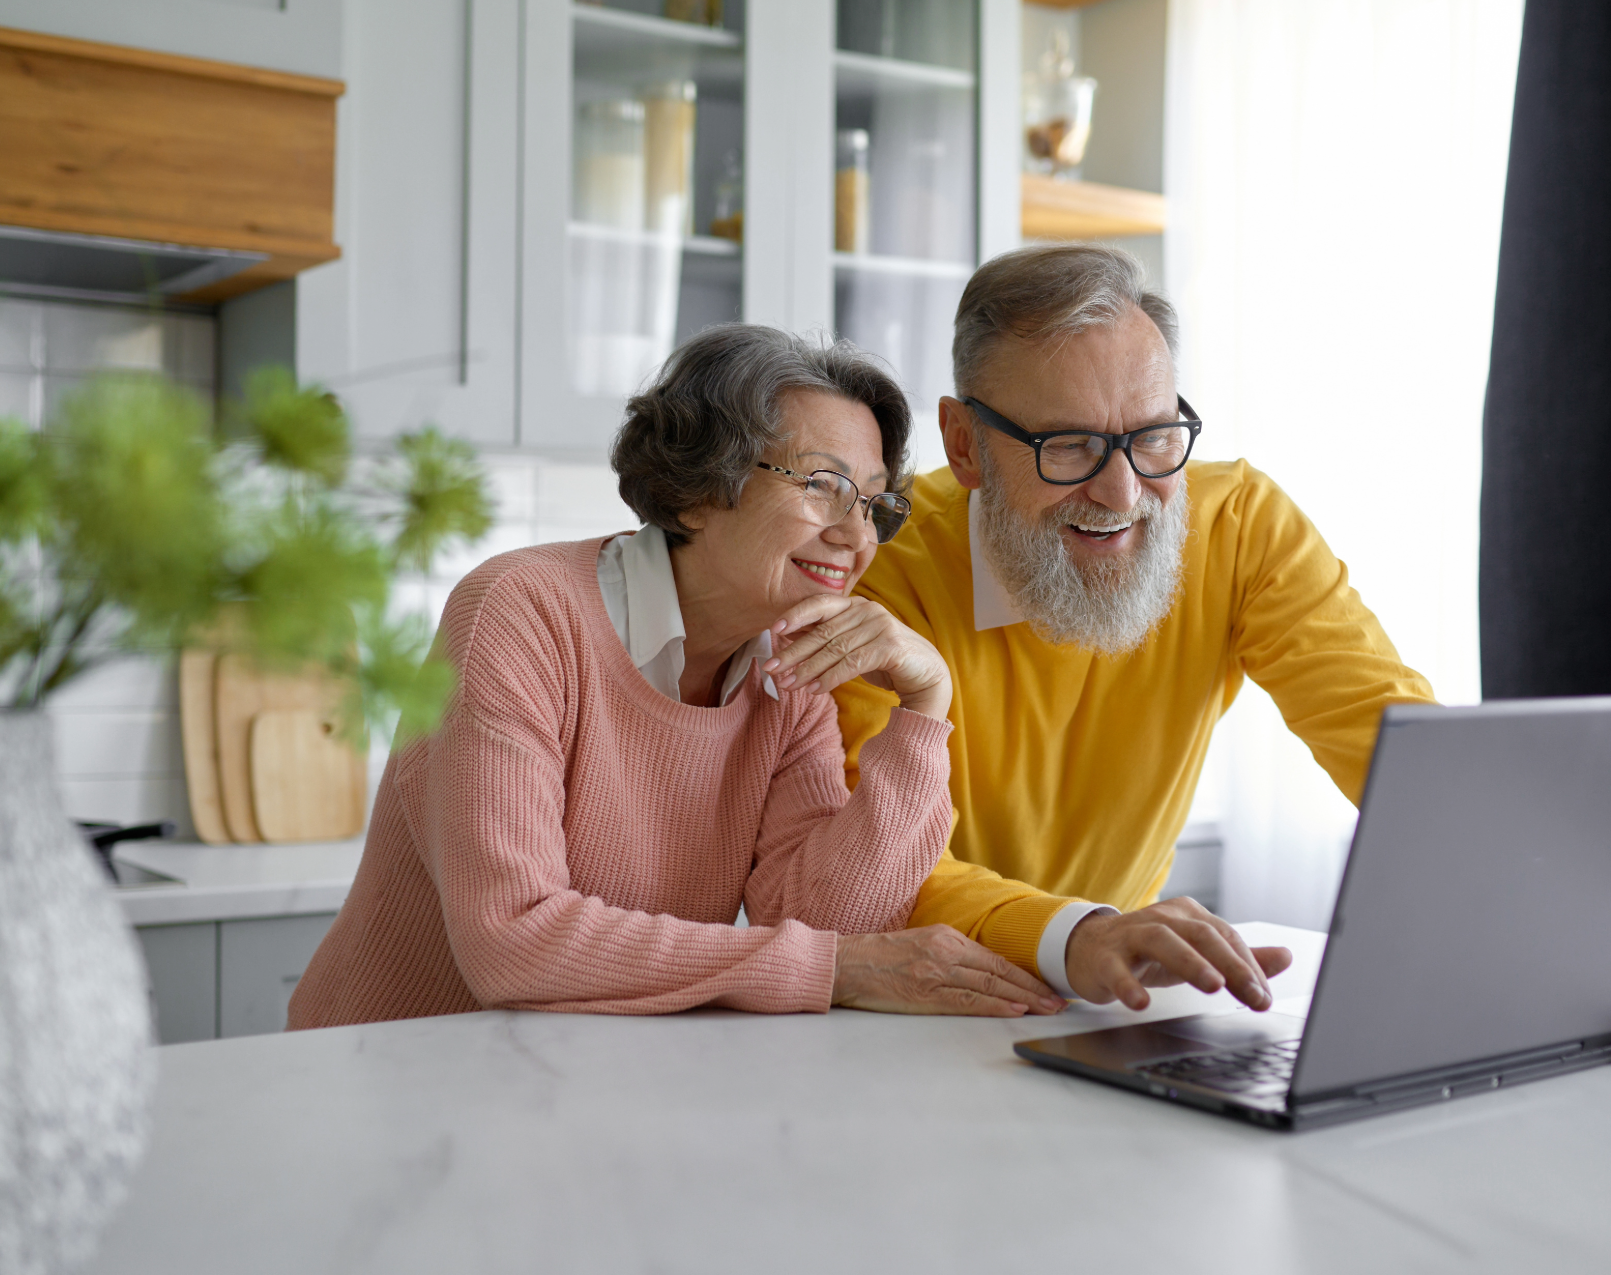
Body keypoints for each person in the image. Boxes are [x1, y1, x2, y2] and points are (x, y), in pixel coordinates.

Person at [776, 244, 1611, 1066]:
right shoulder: (874, 566)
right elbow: (874, 866)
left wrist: (1562, 955)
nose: (1123, 492)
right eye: (1067, 446)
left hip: (1111, 1014)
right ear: (965, 443)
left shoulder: (1238, 525)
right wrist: (1080, 931)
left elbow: (1399, 746)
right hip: (894, 1020)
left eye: (1153, 438)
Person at [289, 326, 1066, 1028]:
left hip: (576, 1080)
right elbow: (514, 939)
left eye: (873, 503)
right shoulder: (520, 613)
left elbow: (832, 924)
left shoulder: (788, 671)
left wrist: (927, 708)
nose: (856, 534)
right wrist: (830, 968)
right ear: (698, 490)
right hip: (388, 1075)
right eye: (822, 484)